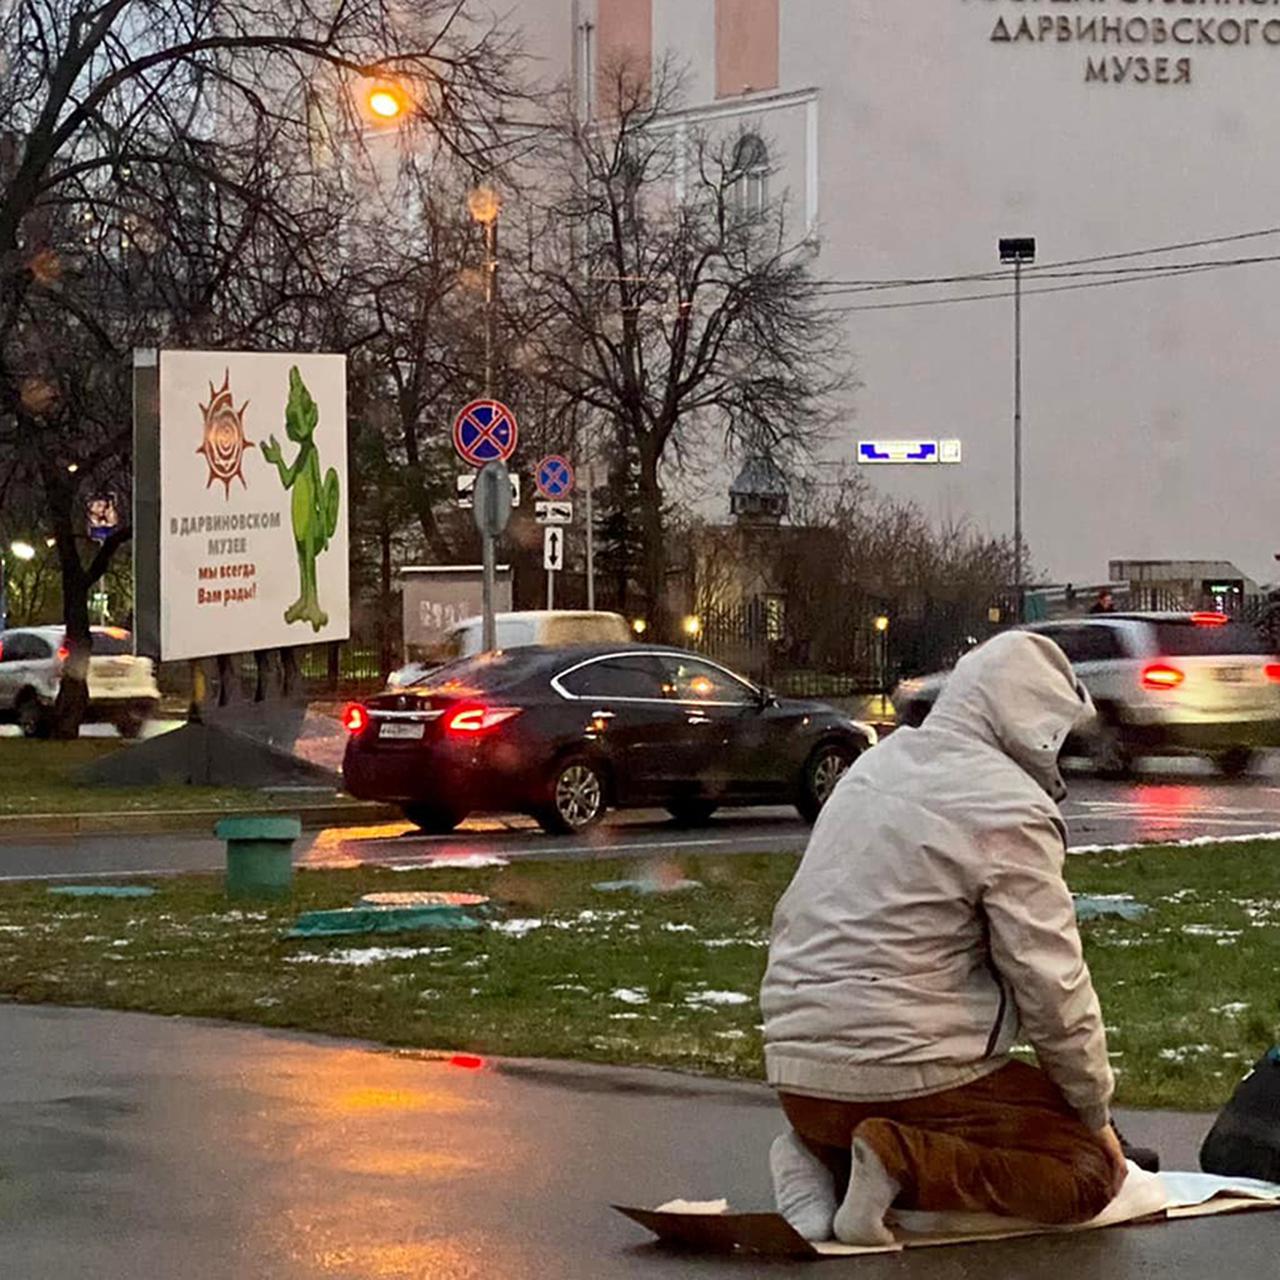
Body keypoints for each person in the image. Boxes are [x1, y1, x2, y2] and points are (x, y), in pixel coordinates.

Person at [760, 631, 1126, 1245]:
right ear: (1036, 724)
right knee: (1085, 1172)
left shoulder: (875, 766)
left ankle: (817, 1157)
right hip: (906, 1073)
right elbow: (1050, 983)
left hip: (797, 1073)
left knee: (997, 1115)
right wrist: (1095, 1115)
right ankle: (894, 1160)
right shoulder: (1007, 806)